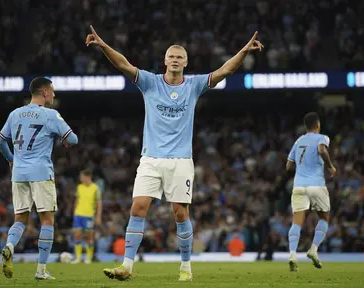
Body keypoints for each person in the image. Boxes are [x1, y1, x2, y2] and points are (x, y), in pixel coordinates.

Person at [85, 25, 263, 281]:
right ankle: (126, 266)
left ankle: (185, 266)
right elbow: (123, 65)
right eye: (172, 57)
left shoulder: (194, 85)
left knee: (180, 213)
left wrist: (244, 51)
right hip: (150, 158)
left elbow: (226, 70)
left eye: (180, 57)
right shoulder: (150, 82)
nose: (175, 60)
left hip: (180, 160)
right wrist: (103, 47)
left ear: (186, 62)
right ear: (164, 61)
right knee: (138, 207)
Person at [0, 77, 78, 279]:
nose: (54, 94)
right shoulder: (50, 115)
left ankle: (9, 246)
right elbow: (73, 139)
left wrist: (11, 160)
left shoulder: (15, 114)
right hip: (41, 172)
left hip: (19, 174)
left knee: (20, 219)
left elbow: (0, 141)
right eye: (53, 91)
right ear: (45, 92)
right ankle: (41, 270)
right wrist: (64, 139)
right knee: (47, 221)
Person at [286, 112, 337, 272]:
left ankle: (293, 254)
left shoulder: (298, 141)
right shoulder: (322, 138)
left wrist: (301, 169)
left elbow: (288, 166)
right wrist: (330, 167)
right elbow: (322, 150)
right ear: (318, 124)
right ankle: (313, 249)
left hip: (299, 185)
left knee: (296, 222)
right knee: (324, 217)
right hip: (316, 185)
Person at [72, 169, 102, 264]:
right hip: (78, 214)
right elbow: (76, 200)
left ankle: (88, 258)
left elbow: (99, 203)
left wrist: (98, 216)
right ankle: (78, 258)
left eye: (82, 177)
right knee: (77, 235)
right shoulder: (79, 187)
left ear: (87, 177)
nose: (80, 178)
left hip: (89, 215)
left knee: (89, 236)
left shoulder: (95, 188)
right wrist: (74, 212)